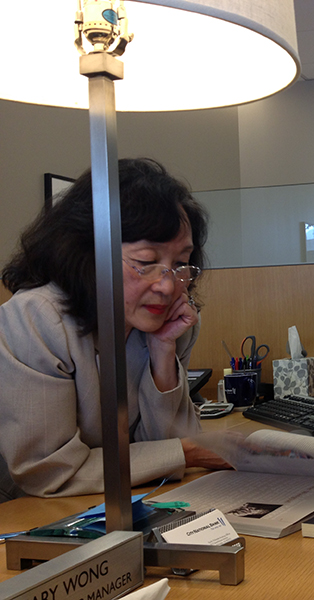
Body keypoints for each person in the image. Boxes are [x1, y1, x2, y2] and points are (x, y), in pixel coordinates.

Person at [0, 158, 227, 502]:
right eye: (146, 262)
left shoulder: (172, 323)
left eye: (180, 264)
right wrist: (187, 454)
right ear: (90, 254)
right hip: (41, 514)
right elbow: (49, 472)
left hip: (128, 500)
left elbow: (167, 446)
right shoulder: (36, 319)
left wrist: (162, 353)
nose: (168, 287)